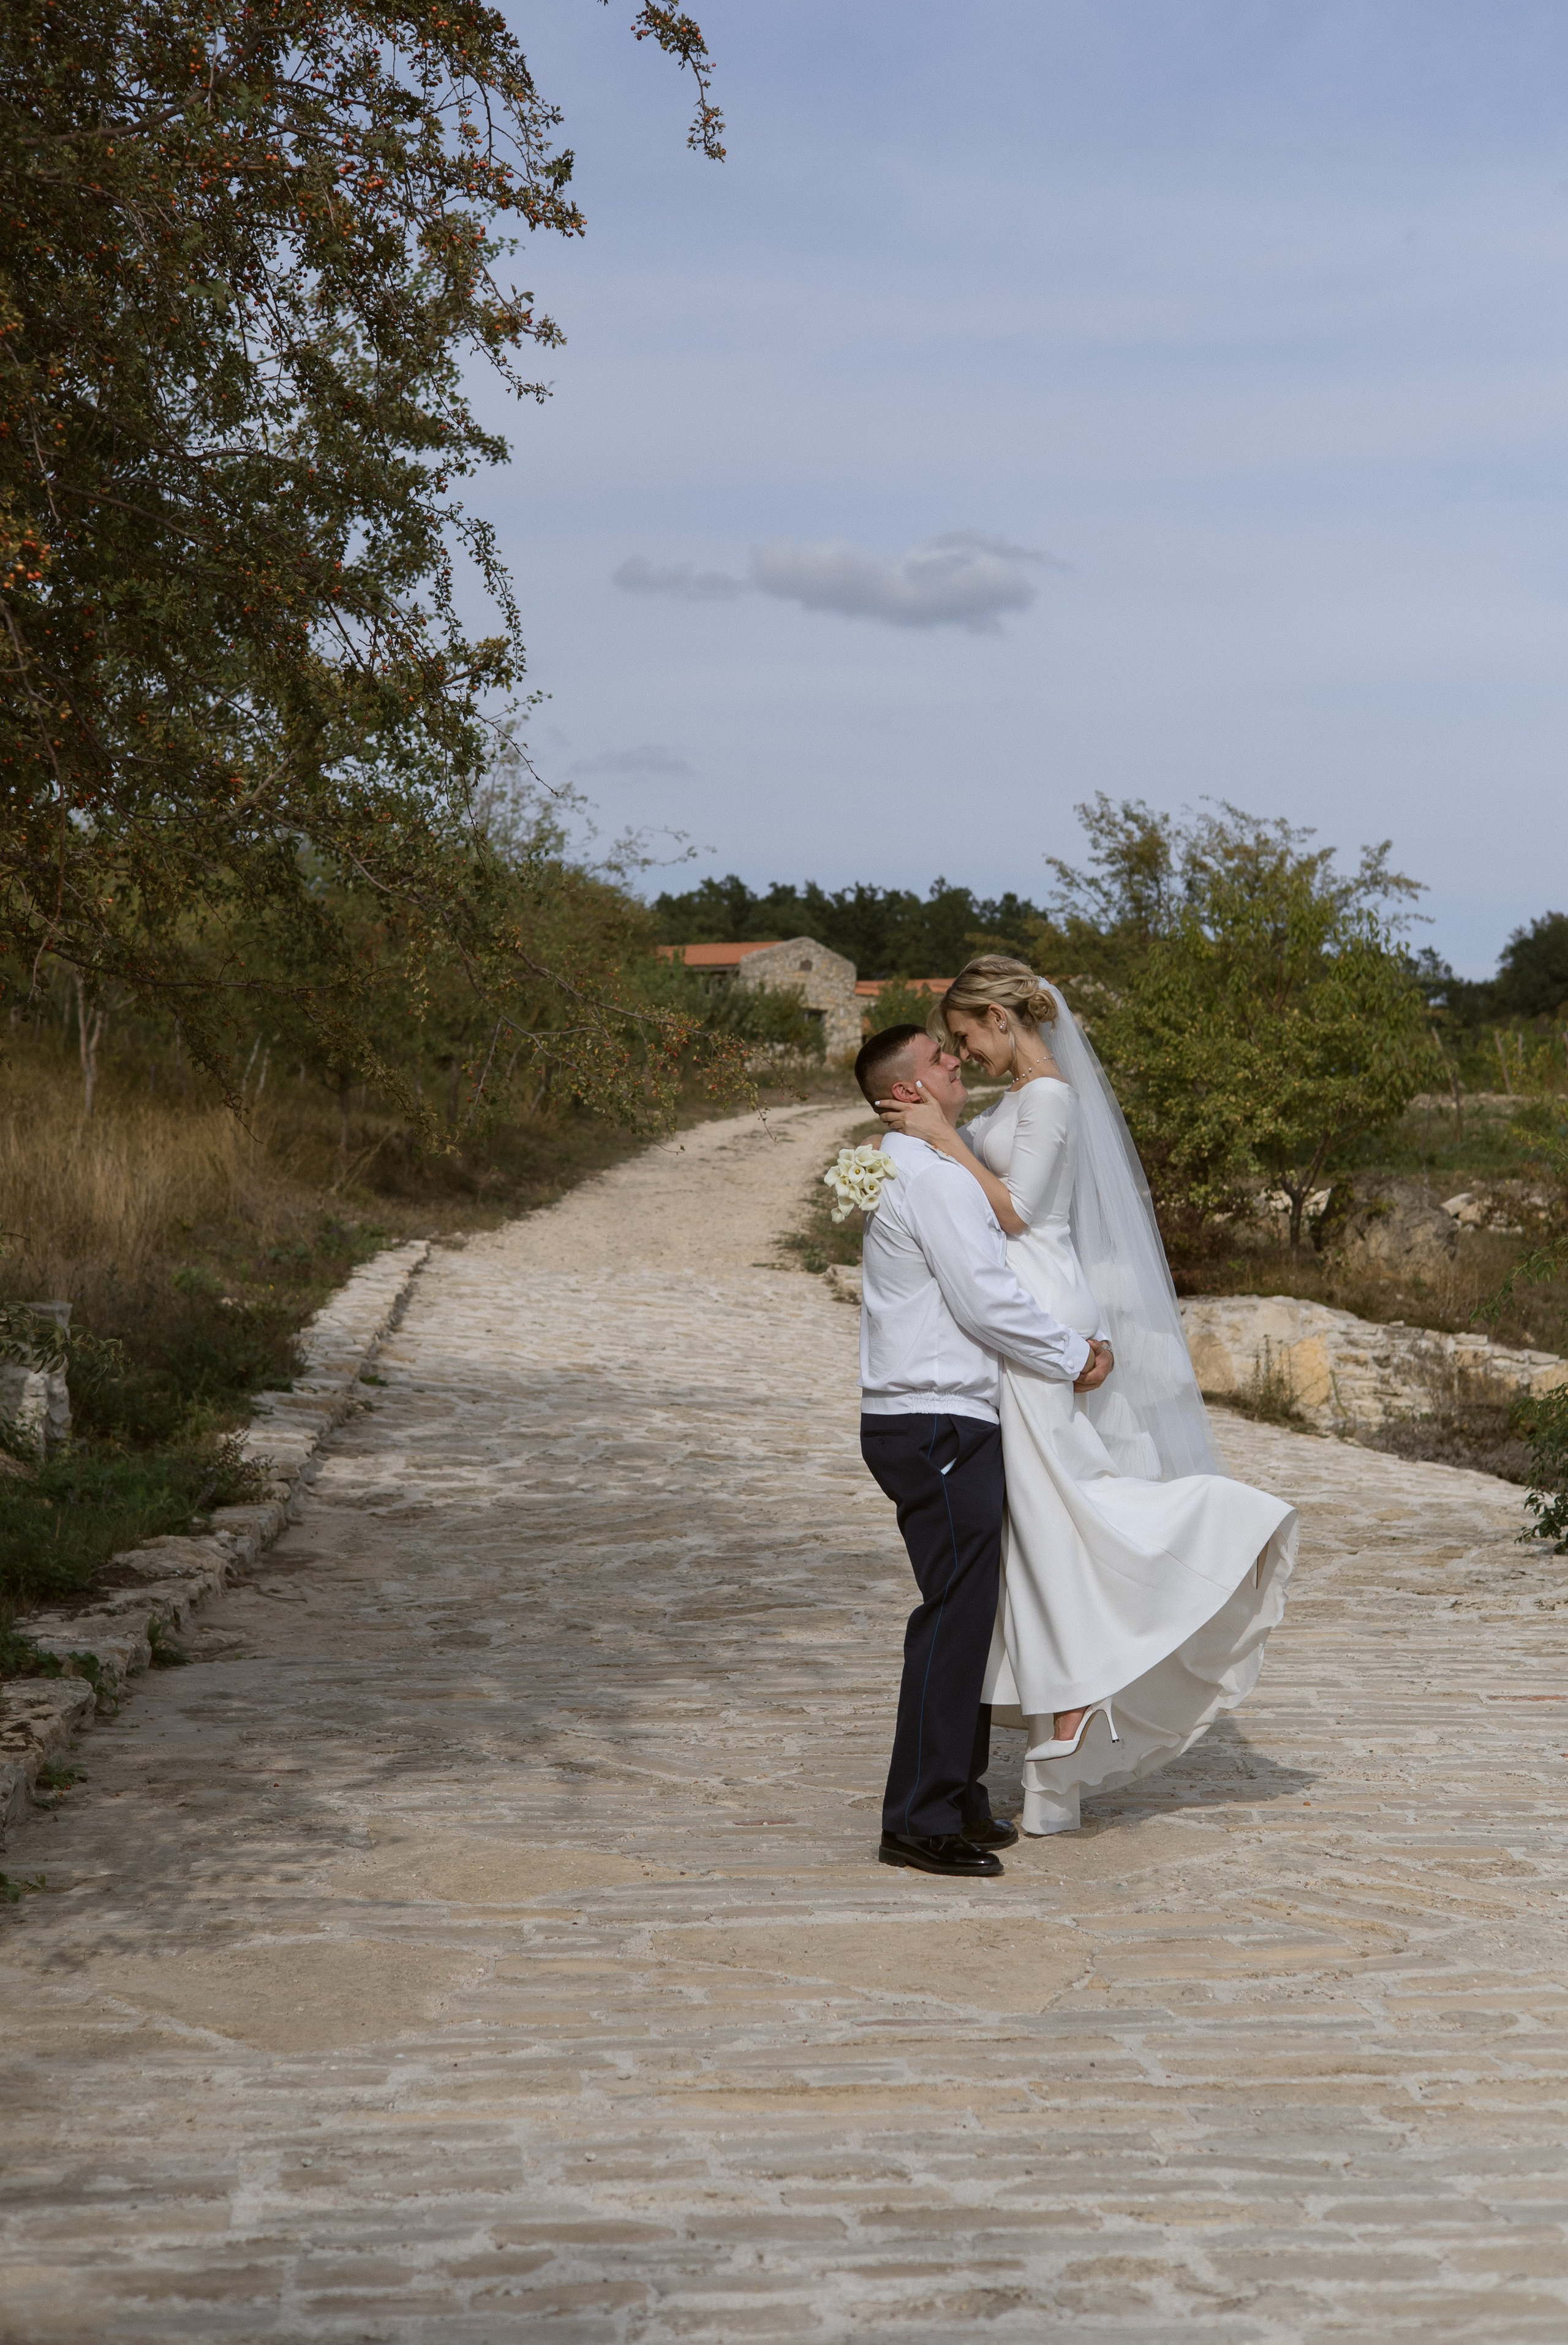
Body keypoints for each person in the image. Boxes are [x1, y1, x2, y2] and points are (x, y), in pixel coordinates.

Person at [875, 958, 1298, 1836]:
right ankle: (1056, 1762)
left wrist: (944, 1139)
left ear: (1000, 1018)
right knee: (1038, 1521)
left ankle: (1196, 1554)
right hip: (1021, 1310)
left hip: (1037, 1307)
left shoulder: (1051, 1099)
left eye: (966, 1037)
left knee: (1059, 1505)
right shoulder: (1017, 1099)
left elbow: (1018, 1212)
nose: (965, 1054)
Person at [854, 1021, 1114, 1880]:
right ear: (907, 1092)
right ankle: (918, 1820)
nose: (955, 1061)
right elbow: (985, 1301)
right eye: (940, 1059)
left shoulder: (917, 1165)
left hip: (933, 1418)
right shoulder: (932, 1180)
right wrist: (1075, 1357)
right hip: (934, 1420)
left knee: (969, 1610)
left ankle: (959, 1798)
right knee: (951, 1616)